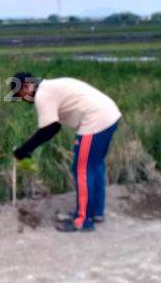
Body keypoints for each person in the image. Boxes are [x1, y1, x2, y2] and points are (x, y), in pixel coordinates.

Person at [11, 72, 121, 232]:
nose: (22, 99)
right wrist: (26, 150)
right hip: (109, 116)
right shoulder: (49, 88)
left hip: (95, 122)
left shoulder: (42, 94)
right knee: (95, 166)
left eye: (21, 94)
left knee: (82, 170)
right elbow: (52, 127)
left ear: (27, 86)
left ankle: (82, 220)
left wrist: (23, 151)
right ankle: (96, 213)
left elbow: (50, 129)